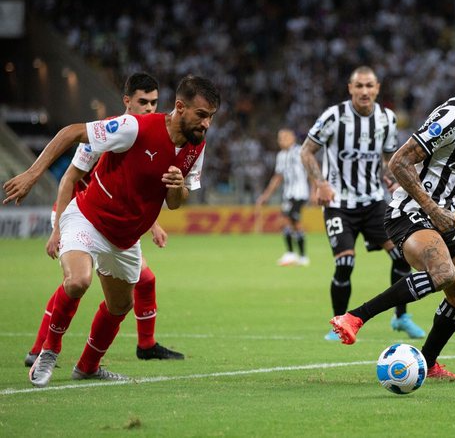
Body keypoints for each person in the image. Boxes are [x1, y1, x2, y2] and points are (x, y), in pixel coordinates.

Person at [3, 75, 219, 387]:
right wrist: (32, 174)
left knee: (121, 305)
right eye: (201, 115)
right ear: (180, 107)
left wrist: (177, 187)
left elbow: (176, 202)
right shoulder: (134, 127)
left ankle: (88, 367)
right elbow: (72, 132)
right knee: (78, 280)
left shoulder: (195, 147)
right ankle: (49, 350)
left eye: (211, 117)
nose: (207, 124)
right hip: (88, 219)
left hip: (126, 238)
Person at [328, 45, 455, 380]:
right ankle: (354, 317)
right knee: (443, 274)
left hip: (440, 217)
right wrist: (433, 208)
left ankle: (427, 363)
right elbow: (399, 161)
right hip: (410, 212)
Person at [300, 66, 426, 341]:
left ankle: (401, 317)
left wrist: (392, 179)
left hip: (373, 202)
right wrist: (320, 182)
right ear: (350, 88)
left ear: (377, 88)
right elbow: (307, 151)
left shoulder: (387, 119)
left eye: (369, 86)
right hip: (339, 203)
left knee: (402, 256)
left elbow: (389, 157)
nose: (365, 91)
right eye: (359, 86)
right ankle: (339, 323)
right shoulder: (334, 117)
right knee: (345, 264)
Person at [256, 129, 314, 267]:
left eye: (284, 137)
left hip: (299, 193)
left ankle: (295, 255)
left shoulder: (301, 152)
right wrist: (266, 195)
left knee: (288, 220)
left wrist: (315, 191)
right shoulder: (281, 156)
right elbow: (278, 177)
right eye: (279, 138)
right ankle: (298, 256)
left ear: (293, 138)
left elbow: (311, 170)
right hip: (288, 194)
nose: (281, 140)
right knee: (292, 222)